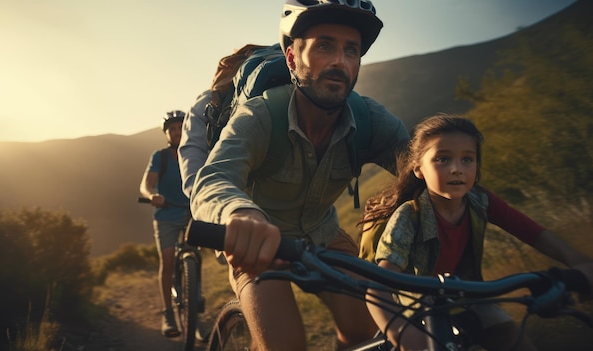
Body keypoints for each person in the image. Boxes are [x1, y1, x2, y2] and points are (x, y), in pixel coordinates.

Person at [181, 1, 410, 349]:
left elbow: (428, 166)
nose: (340, 61)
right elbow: (213, 178)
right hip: (258, 244)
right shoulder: (260, 115)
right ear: (291, 59)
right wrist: (239, 213)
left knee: (365, 332)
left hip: (323, 233)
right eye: (325, 45)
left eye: (352, 50)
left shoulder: (369, 119)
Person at [362, 114, 593, 351]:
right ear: (418, 169)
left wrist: (579, 261)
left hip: (468, 296)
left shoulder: (480, 200)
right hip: (420, 310)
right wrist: (400, 331)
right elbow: (377, 285)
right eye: (443, 159)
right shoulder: (410, 216)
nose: (457, 169)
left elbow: (532, 233)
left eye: (467, 159)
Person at [139, 110, 190, 338]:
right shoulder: (159, 156)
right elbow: (146, 184)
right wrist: (151, 196)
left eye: (180, 128)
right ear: (167, 133)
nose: (176, 132)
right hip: (167, 214)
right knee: (167, 261)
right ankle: (168, 312)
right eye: (172, 129)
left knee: (193, 255)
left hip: (191, 213)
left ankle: (193, 298)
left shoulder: (193, 152)